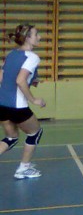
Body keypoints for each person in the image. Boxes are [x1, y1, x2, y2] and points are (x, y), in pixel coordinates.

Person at [0, 24, 46, 180]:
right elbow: (20, 80)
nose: (39, 37)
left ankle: (24, 167)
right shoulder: (32, 57)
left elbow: (2, 77)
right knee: (35, 132)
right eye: (36, 34)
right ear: (27, 38)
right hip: (17, 107)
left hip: (2, 104)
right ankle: (23, 169)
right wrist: (34, 99)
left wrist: (32, 80)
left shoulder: (12, 54)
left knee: (11, 138)